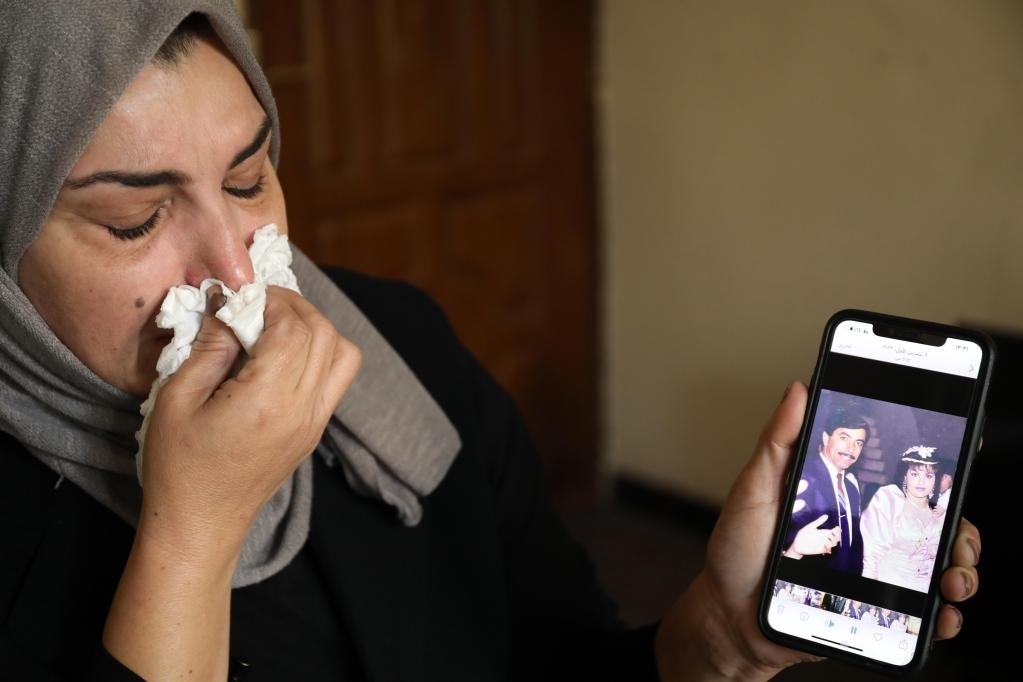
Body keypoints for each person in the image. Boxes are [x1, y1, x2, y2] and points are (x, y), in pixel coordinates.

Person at [0, 2, 982, 680]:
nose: (236, 269)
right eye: (134, 221)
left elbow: (552, 656)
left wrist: (719, 639)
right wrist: (192, 534)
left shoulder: (403, 347)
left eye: (250, 180)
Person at [781, 407, 870, 573]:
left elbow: (853, 540)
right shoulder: (804, 474)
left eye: (859, 443)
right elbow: (786, 534)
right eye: (844, 438)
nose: (851, 448)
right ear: (825, 438)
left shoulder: (851, 488)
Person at [861, 445, 948, 593]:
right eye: (914, 474)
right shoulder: (890, 500)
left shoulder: (940, 513)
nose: (921, 481)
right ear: (905, 476)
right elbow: (871, 555)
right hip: (887, 588)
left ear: (935, 479)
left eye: (928, 476)